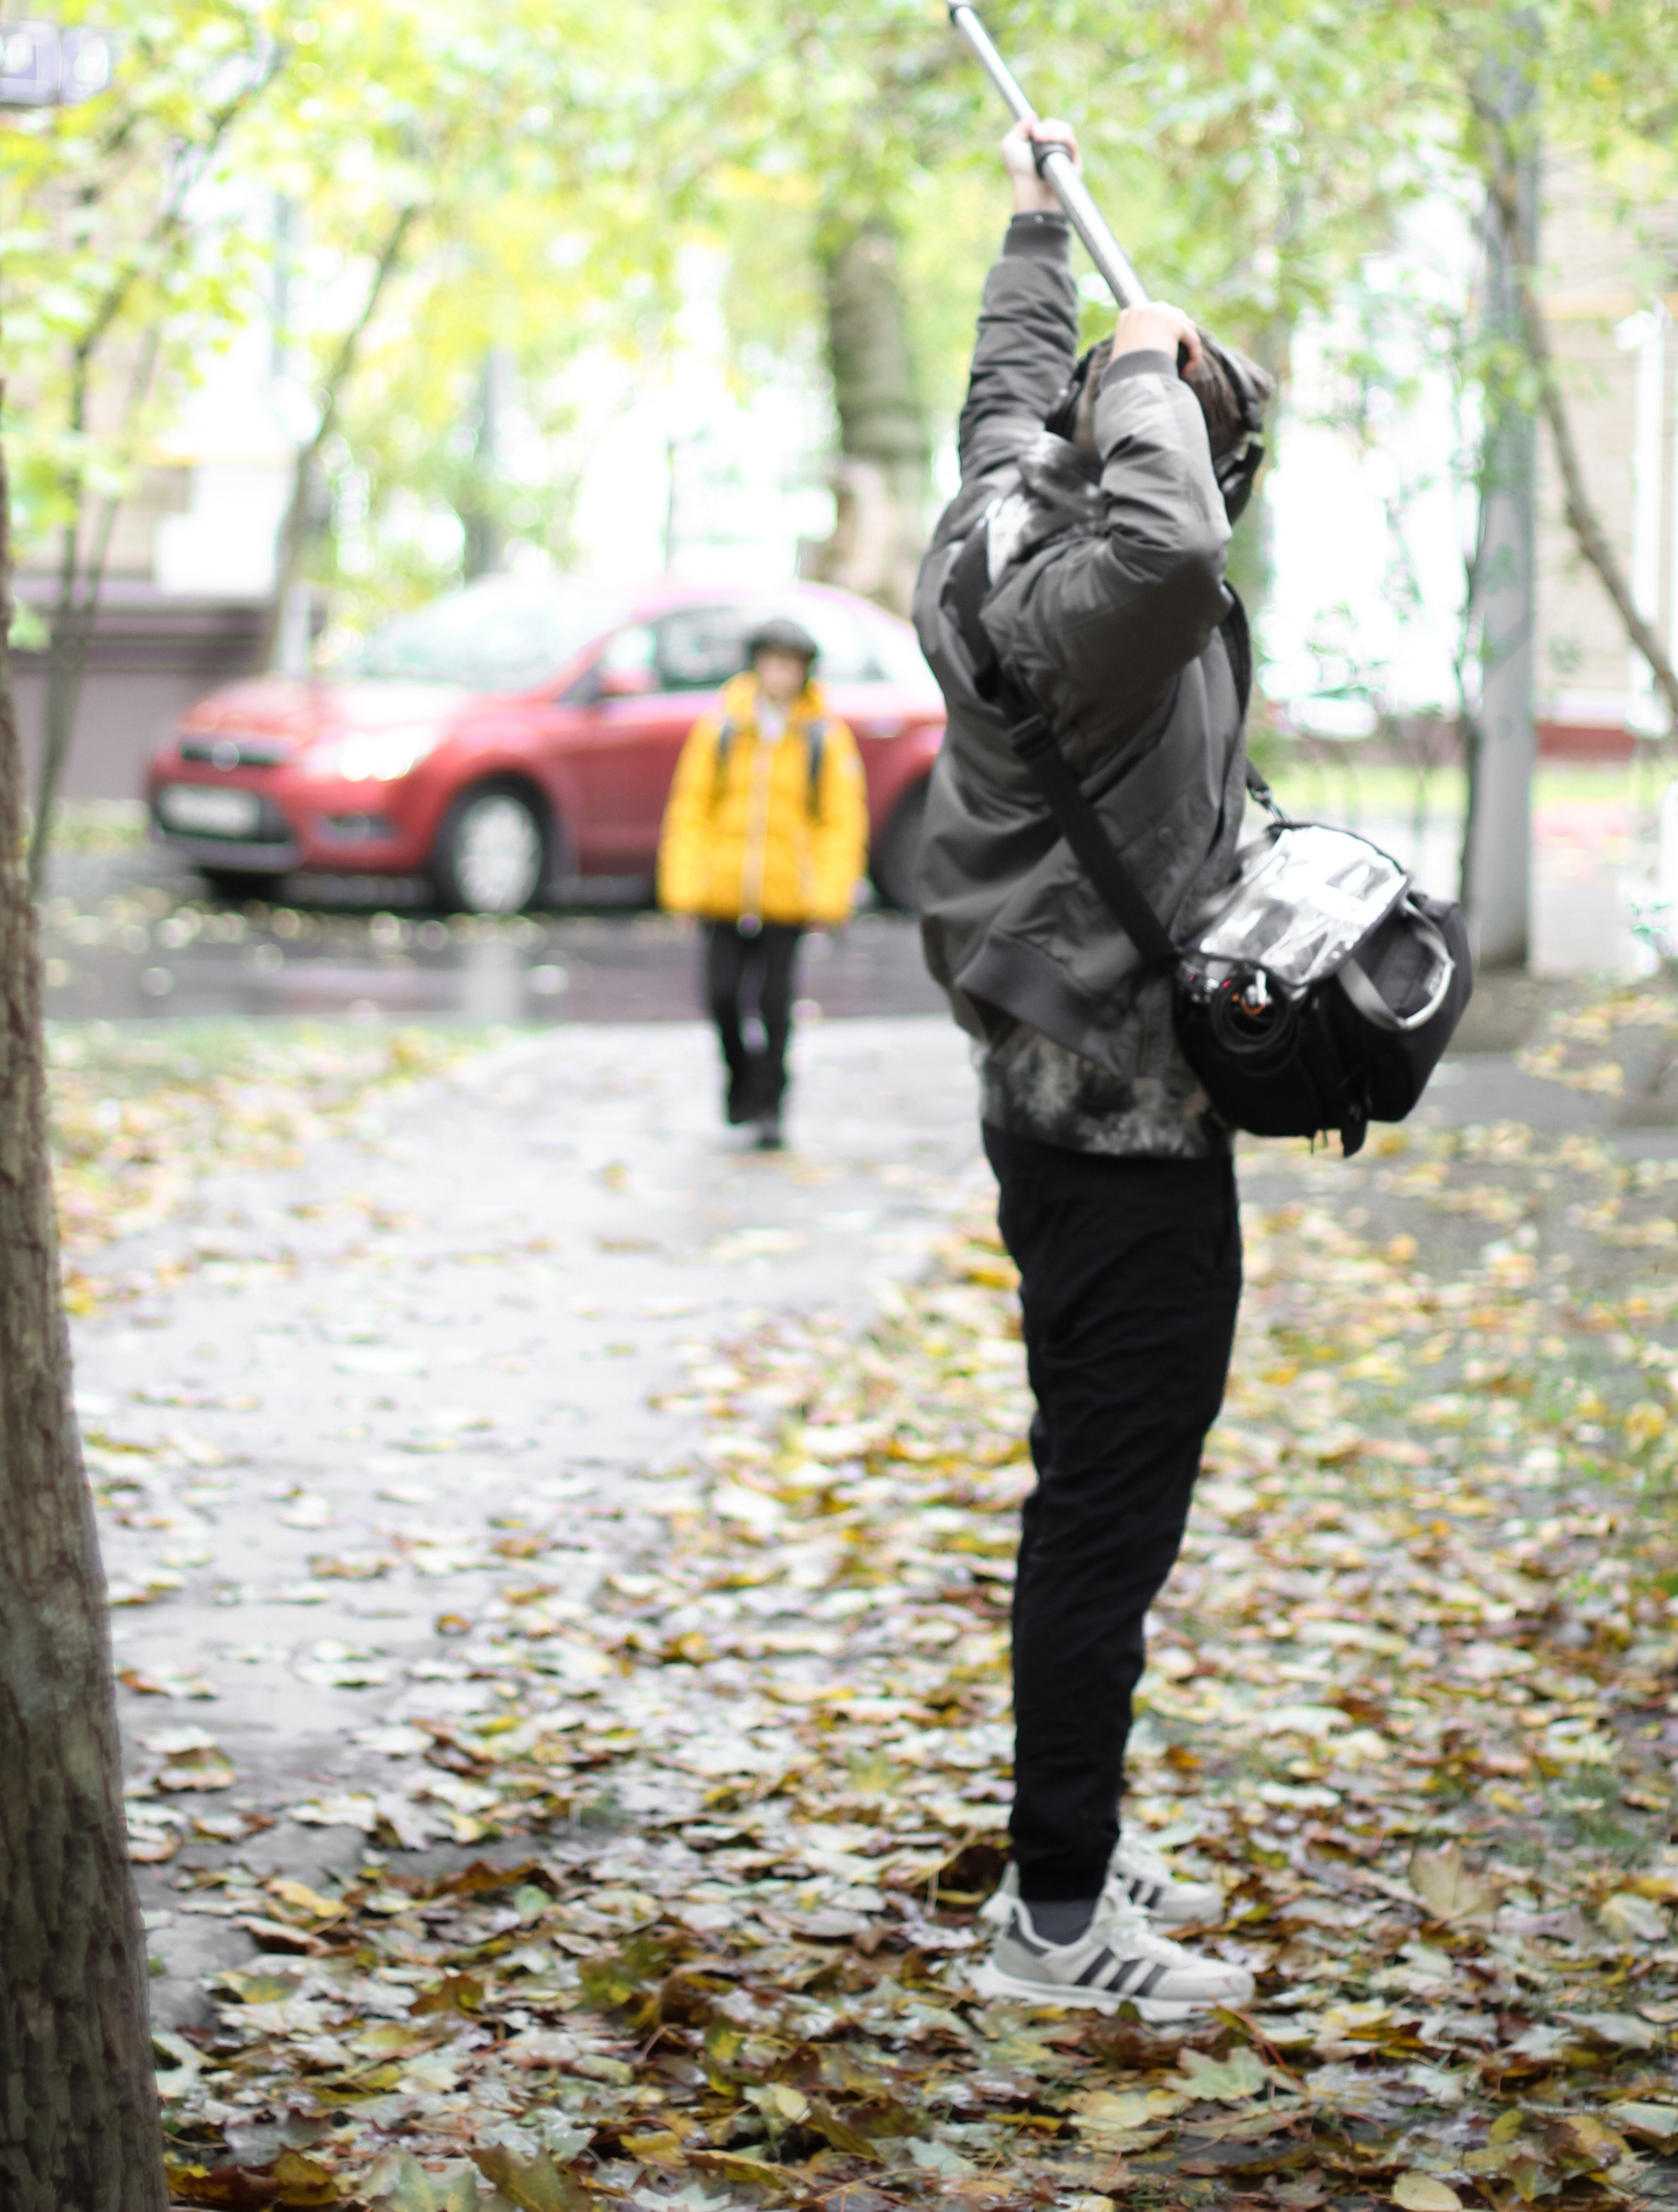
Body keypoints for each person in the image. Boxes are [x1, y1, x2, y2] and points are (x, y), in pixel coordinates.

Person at [912, 114, 1274, 2021]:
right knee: (1107, 1511)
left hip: (1040, 1083)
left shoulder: (988, 522)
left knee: (1088, 1477)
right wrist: (1140, 357)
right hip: (1127, 1120)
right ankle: (1055, 1912)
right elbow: (1175, 528)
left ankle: (1073, 1820)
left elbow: (999, 391)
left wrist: (1032, 222)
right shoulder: (1111, 610)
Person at [657, 616, 869, 1148]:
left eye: (791, 665)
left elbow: (840, 822)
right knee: (722, 995)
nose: (781, 674)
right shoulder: (723, 727)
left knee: (776, 1004)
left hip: (786, 898)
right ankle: (741, 1079)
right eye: (773, 662)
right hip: (723, 892)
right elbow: (691, 808)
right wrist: (685, 888)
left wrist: (828, 895)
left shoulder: (824, 736)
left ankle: (771, 1102)